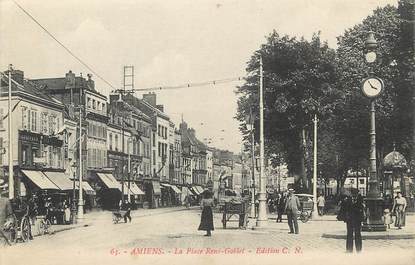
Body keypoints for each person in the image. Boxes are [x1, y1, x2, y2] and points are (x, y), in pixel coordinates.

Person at [338, 188, 365, 253]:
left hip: (357, 219)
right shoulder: (347, 200)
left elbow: (362, 209)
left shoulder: (360, 200)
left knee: (357, 233)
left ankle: (359, 249)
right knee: (349, 234)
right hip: (349, 219)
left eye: (355, 194)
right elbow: (344, 208)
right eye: (353, 194)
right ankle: (349, 249)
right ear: (351, 194)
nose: (354, 196)